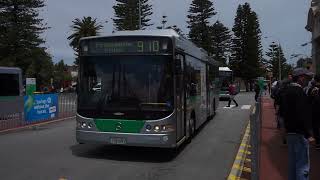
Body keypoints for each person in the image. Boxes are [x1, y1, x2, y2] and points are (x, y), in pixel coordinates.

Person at [280, 68, 314, 180]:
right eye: (307, 78)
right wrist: (309, 134)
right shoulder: (300, 93)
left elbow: (281, 113)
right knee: (302, 166)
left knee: (292, 164)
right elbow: (302, 116)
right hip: (300, 133)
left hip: (290, 133)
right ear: (300, 78)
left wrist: (284, 130)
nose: (308, 80)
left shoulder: (286, 92)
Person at [309, 74, 320, 149]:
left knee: (316, 126)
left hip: (315, 110)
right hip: (315, 110)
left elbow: (309, 100)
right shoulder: (313, 88)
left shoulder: (312, 88)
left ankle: (318, 143)